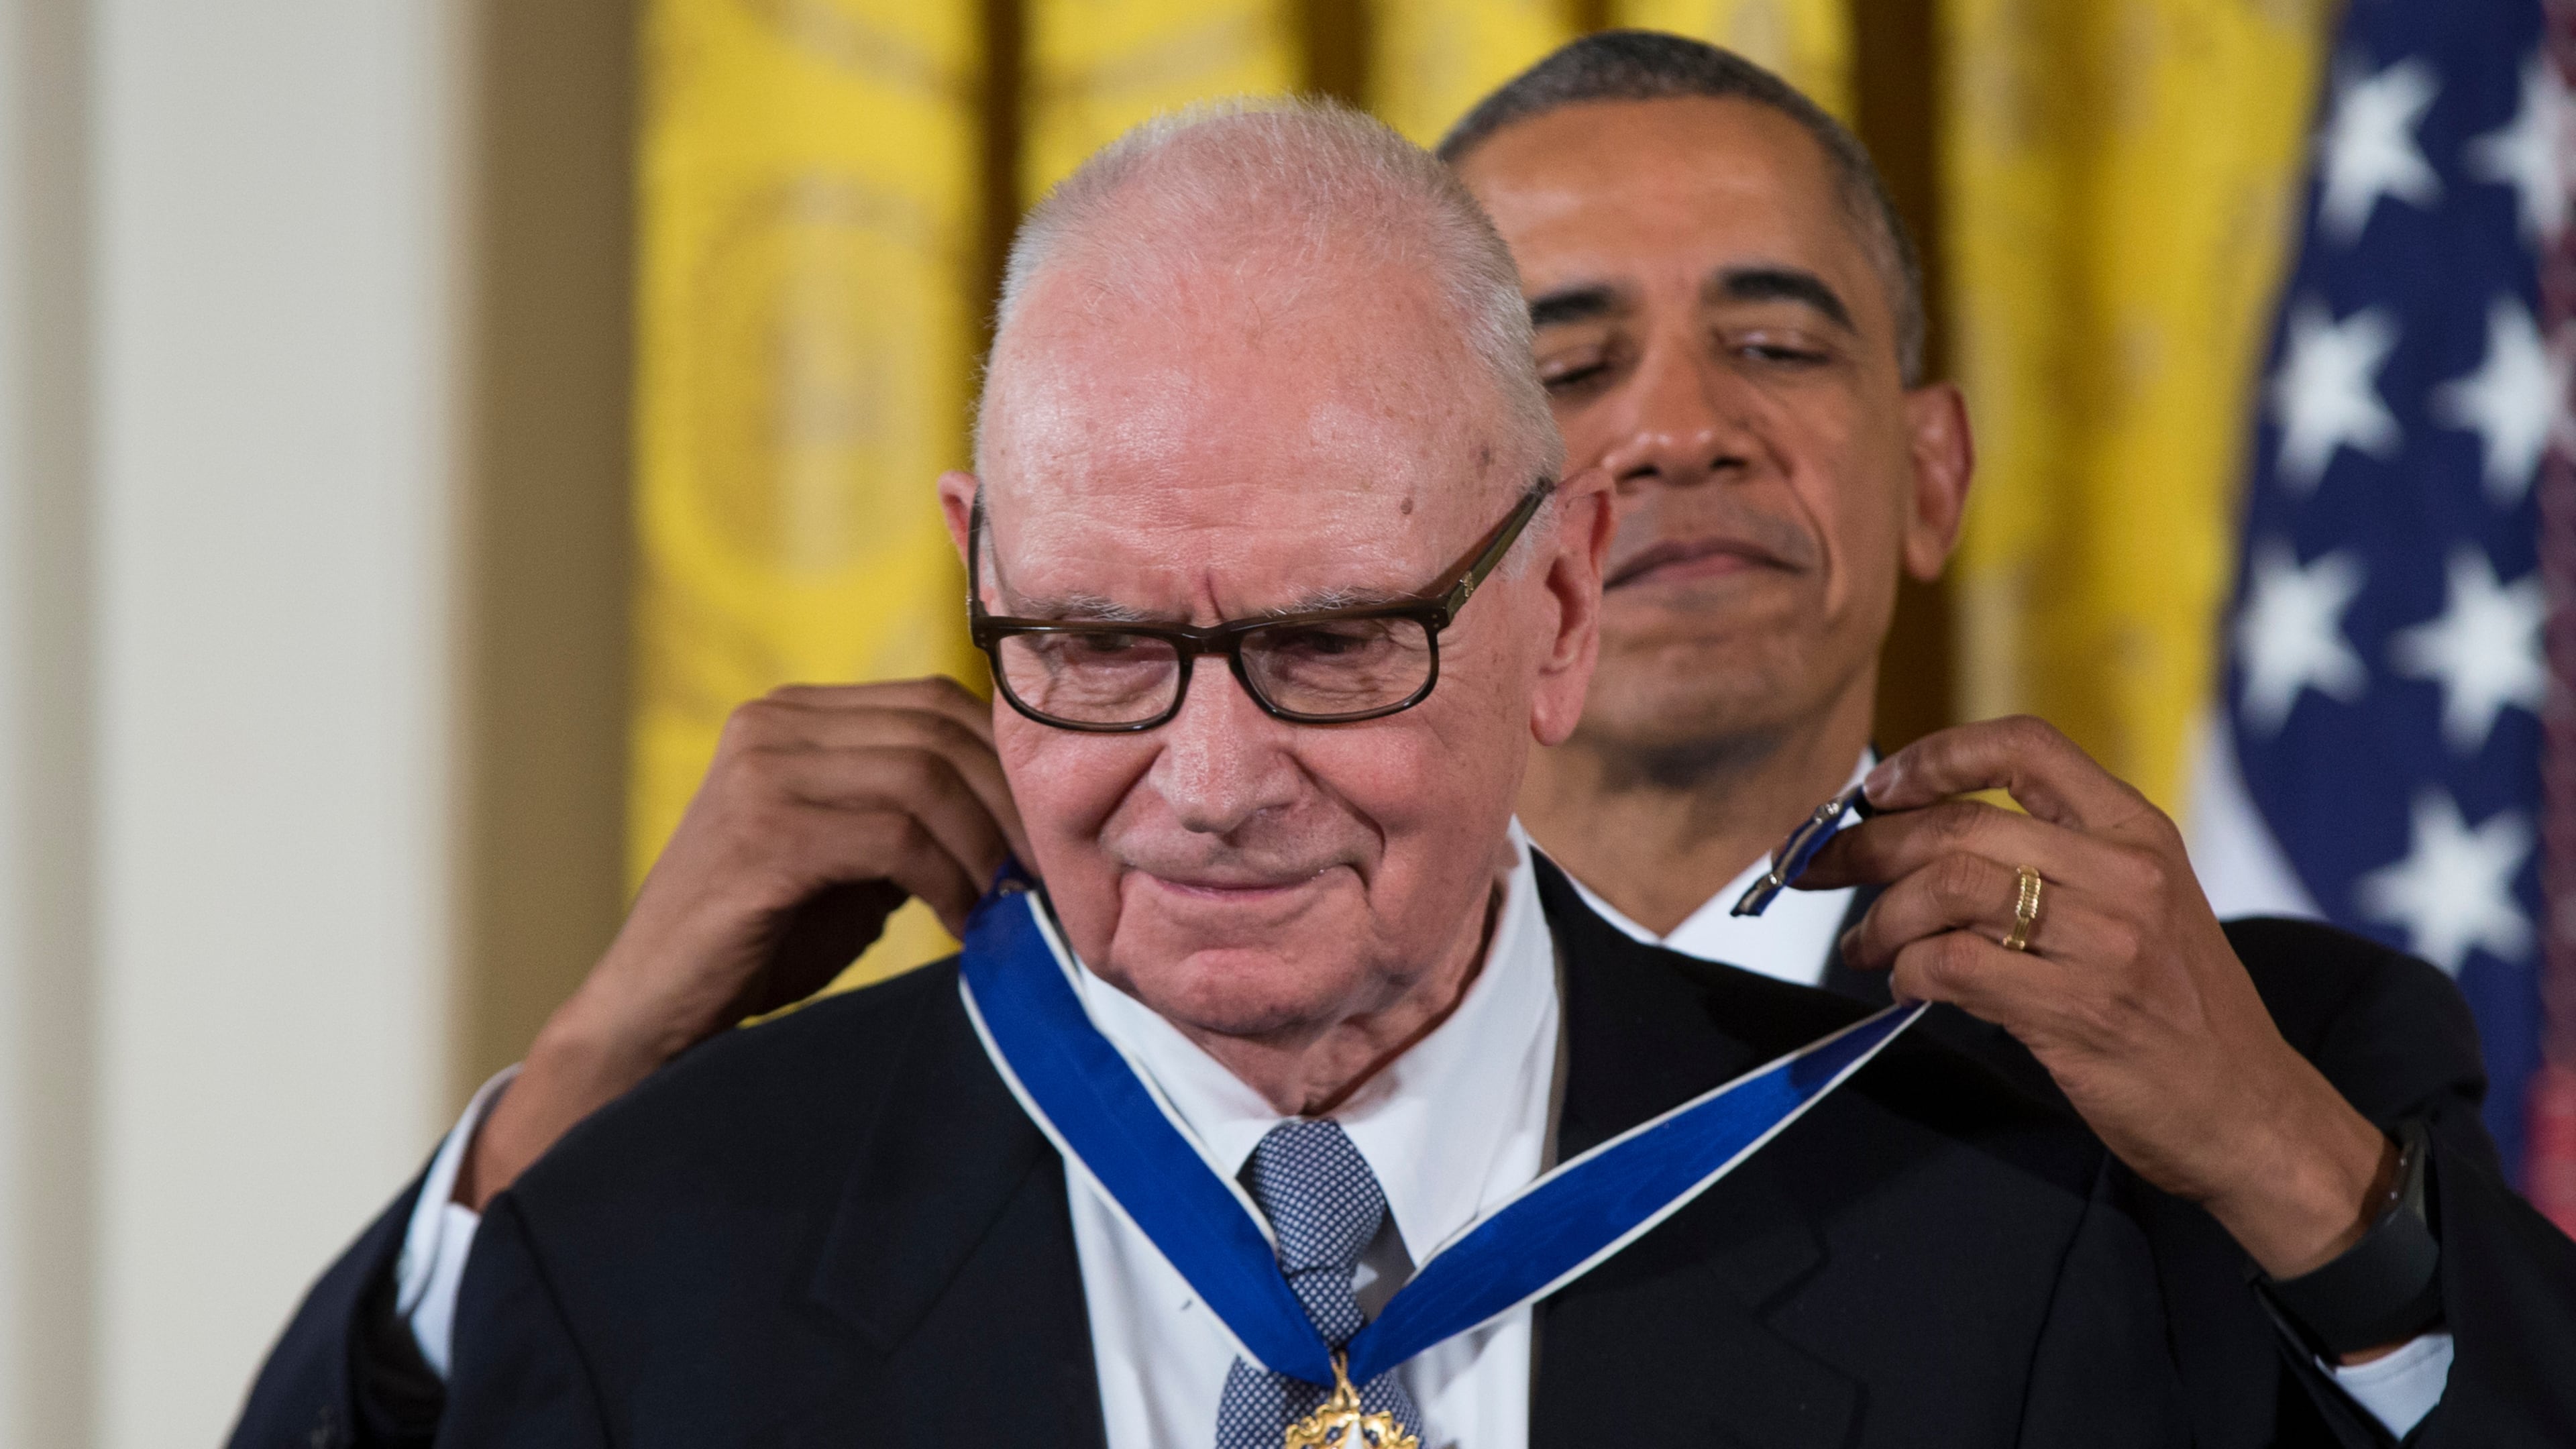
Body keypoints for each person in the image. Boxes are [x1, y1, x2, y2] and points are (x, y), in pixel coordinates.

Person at [231, 46, 2576, 1449]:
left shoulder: (2040, 1191)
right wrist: (593, 1086)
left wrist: (2287, 1155)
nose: (1223, 771)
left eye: (1338, 642)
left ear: (1521, 605)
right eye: (1108, 641)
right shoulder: (681, 1235)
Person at [1434, 31, 2576, 1445]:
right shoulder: (1245, 1027)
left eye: (1776, 347)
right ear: (1415, 529)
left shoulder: (2295, 1046)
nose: (1681, 429)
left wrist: (2272, 1141)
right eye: (1570, 363)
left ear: (1933, 478)